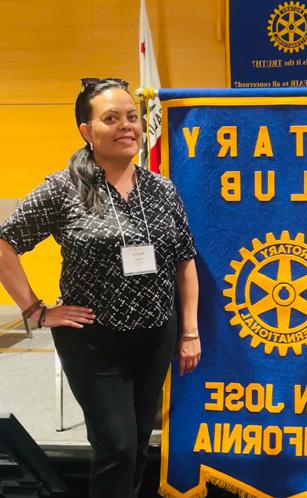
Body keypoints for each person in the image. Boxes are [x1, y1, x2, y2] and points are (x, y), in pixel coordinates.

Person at [0, 77, 200, 498]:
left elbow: (184, 260)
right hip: (92, 341)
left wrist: (189, 331)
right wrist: (36, 311)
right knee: (117, 446)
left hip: (154, 337)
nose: (127, 126)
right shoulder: (63, 188)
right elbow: (5, 244)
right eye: (112, 118)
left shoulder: (161, 189)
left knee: (139, 444)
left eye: (133, 117)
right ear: (87, 131)